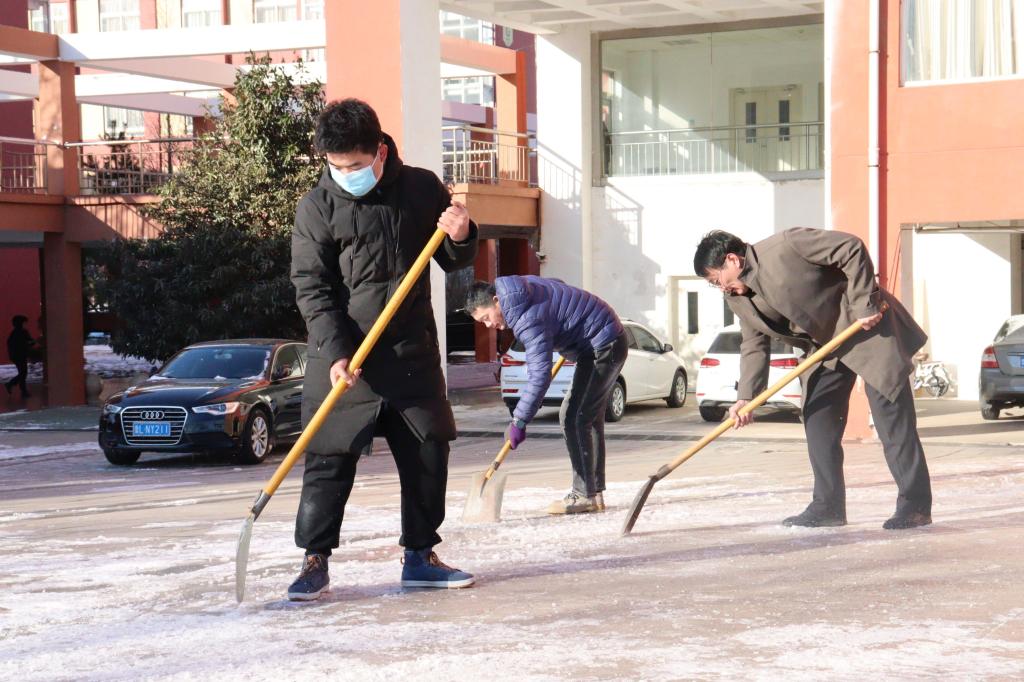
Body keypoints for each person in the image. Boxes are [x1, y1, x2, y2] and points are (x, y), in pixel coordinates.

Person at [288, 98, 479, 601]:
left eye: (354, 165)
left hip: (409, 352)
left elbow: (451, 259)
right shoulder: (316, 207)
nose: (344, 174)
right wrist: (334, 352)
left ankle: (420, 556)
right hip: (345, 359)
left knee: (427, 453)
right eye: (335, 165)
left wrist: (462, 236)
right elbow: (313, 288)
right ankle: (314, 561)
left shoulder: (419, 188)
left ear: (378, 151)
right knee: (327, 461)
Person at [693, 228, 933, 530]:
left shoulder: (787, 246)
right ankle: (827, 505)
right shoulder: (738, 298)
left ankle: (915, 505)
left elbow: (851, 247)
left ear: (732, 260)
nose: (720, 287)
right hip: (825, 348)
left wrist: (864, 303)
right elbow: (753, 343)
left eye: (716, 279)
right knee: (818, 416)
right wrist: (748, 397)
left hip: (863, 329)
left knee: (891, 420)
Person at [465, 277, 627, 515]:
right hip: (598, 342)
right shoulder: (522, 286)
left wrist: (519, 421)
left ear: (496, 301)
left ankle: (584, 495)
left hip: (603, 344)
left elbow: (540, 376)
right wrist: (567, 330)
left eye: (487, 318)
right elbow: (558, 283)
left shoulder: (527, 319)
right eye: (482, 322)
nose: (489, 325)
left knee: (574, 417)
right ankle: (593, 492)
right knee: (586, 417)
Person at [5, 315, 35, 399]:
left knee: (23, 372)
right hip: (20, 355)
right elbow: (28, 342)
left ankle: (16, 387)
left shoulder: (14, 333)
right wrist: (30, 344)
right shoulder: (22, 332)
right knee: (23, 372)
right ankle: (18, 388)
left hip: (16, 356)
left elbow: (10, 344)